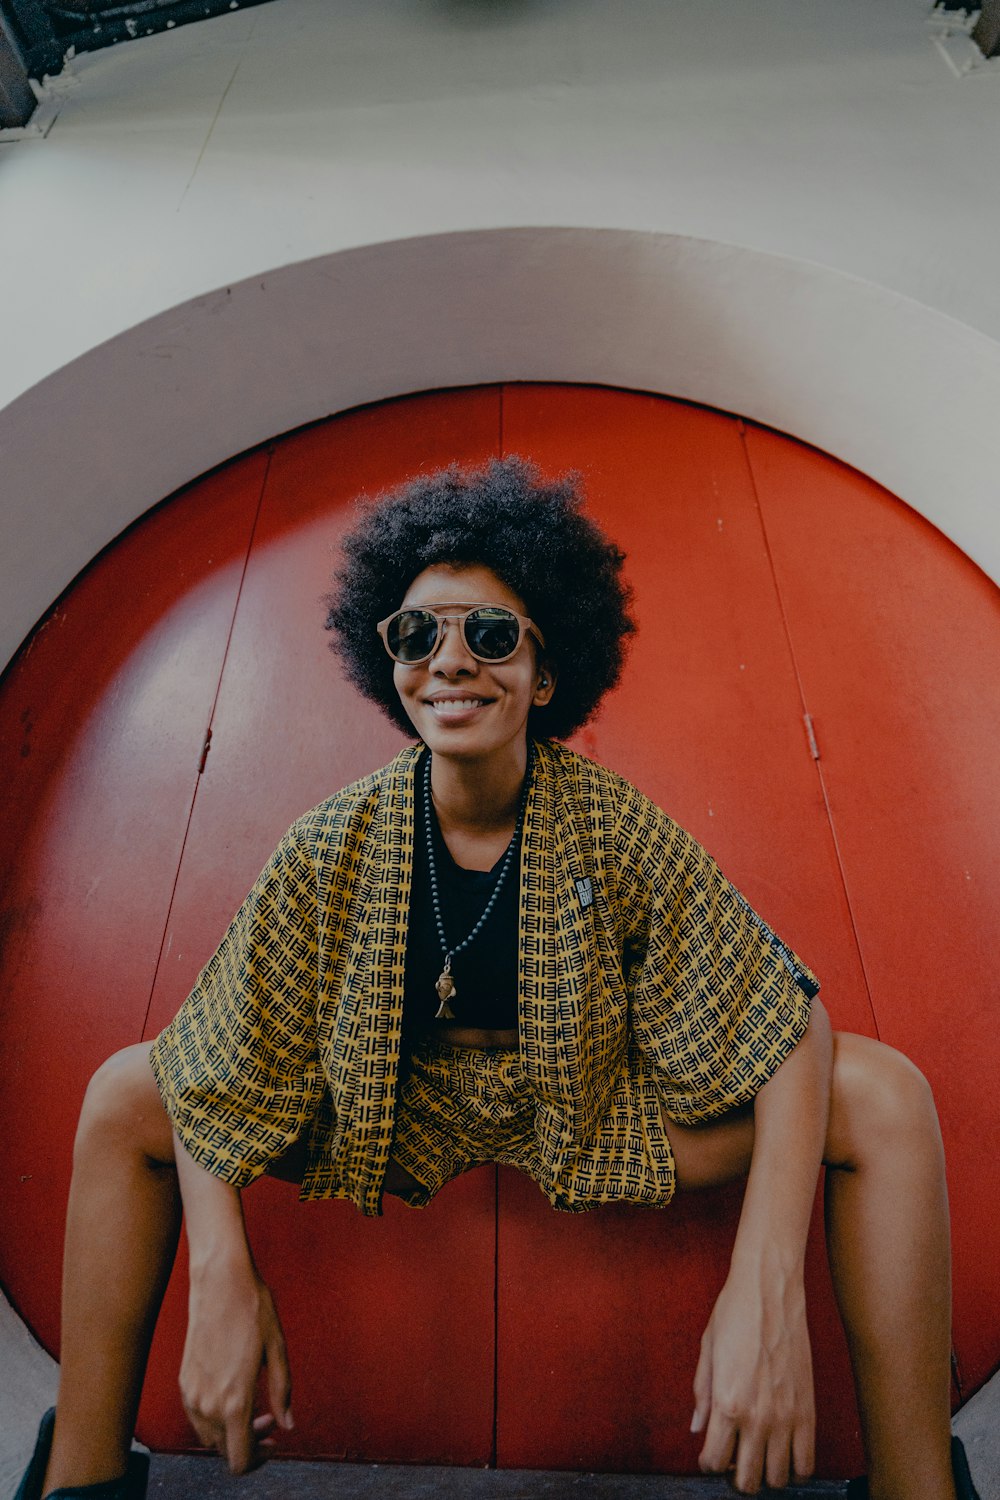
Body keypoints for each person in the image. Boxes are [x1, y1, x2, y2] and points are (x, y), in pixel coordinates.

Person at [16, 458, 977, 1500]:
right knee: (126, 1091)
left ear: (545, 672)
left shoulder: (610, 827)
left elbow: (784, 1024)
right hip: (387, 1116)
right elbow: (210, 1065)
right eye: (418, 634)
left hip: (589, 1112)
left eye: (489, 634)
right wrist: (220, 1270)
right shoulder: (334, 843)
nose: (449, 663)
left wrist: (764, 1288)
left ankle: (916, 1487)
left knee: (882, 1095)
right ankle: (81, 1479)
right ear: (386, 658)